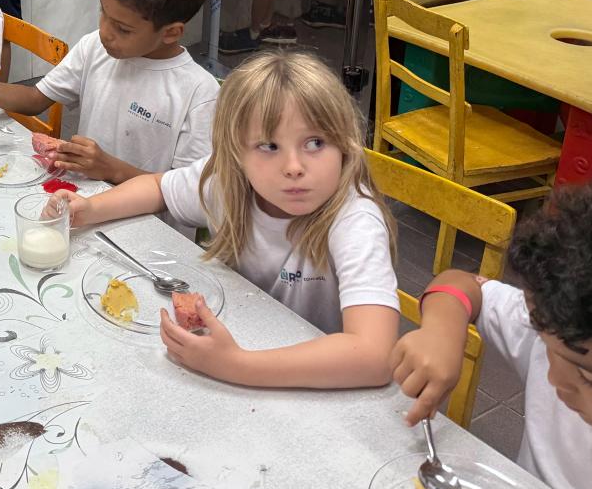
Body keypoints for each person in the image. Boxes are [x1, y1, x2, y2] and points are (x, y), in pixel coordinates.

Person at [64, 51, 399, 388]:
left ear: (345, 145)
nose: (294, 166)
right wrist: (90, 209)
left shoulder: (355, 221)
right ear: (237, 153)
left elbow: (373, 355)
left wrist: (237, 365)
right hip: (238, 341)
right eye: (269, 145)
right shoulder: (228, 184)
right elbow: (158, 188)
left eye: (315, 142)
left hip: (315, 376)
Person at [390, 178, 592, 489]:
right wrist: (441, 332)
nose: (554, 379)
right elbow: (463, 285)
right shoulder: (563, 326)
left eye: (591, 378)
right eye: (545, 346)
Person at [0, 0, 219, 183]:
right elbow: (35, 99)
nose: (105, 31)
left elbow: (193, 193)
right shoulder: (95, 47)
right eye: (103, 12)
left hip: (144, 224)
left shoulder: (199, 94)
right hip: (82, 200)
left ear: (171, 32)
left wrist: (110, 169)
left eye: (123, 29)